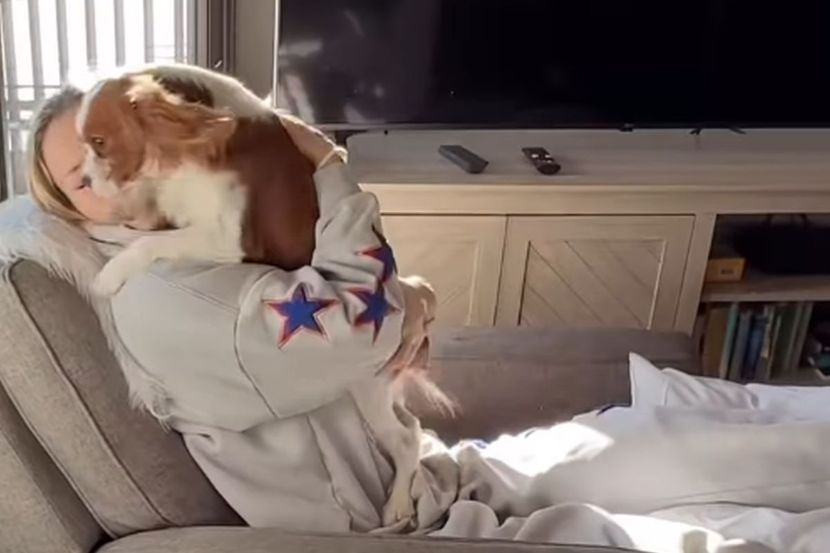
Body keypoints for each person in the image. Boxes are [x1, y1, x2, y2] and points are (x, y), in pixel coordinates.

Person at [23, 84, 830, 553]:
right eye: (83, 176)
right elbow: (366, 322)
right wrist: (325, 163)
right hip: (409, 529)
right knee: (731, 533)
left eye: (117, 144)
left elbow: (364, 309)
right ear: (69, 206)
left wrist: (408, 300)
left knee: (686, 432)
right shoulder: (168, 297)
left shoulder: (203, 231)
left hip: (439, 474)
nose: (112, 174)